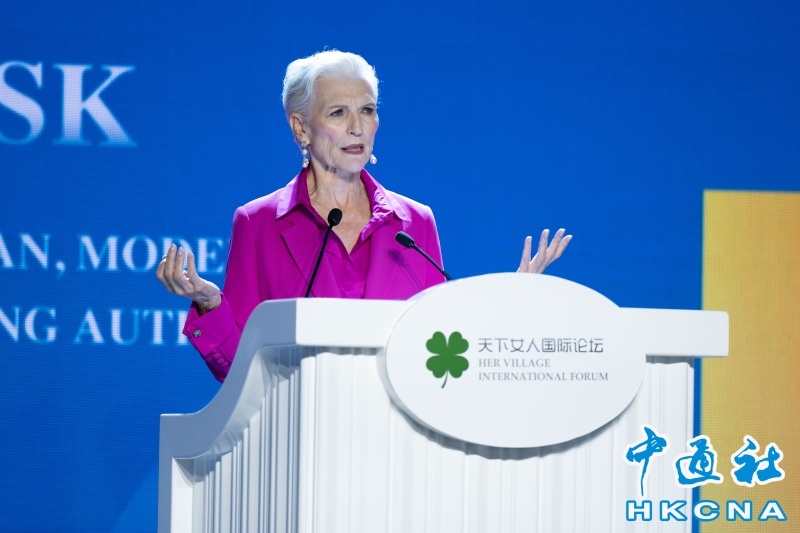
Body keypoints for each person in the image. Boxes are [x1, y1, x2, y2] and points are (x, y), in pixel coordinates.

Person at [156, 51, 571, 382]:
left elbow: (442, 349)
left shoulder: (415, 223)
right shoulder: (259, 223)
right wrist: (210, 304)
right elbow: (238, 372)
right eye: (338, 113)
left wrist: (507, 305)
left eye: (368, 110)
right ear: (301, 128)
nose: (357, 127)